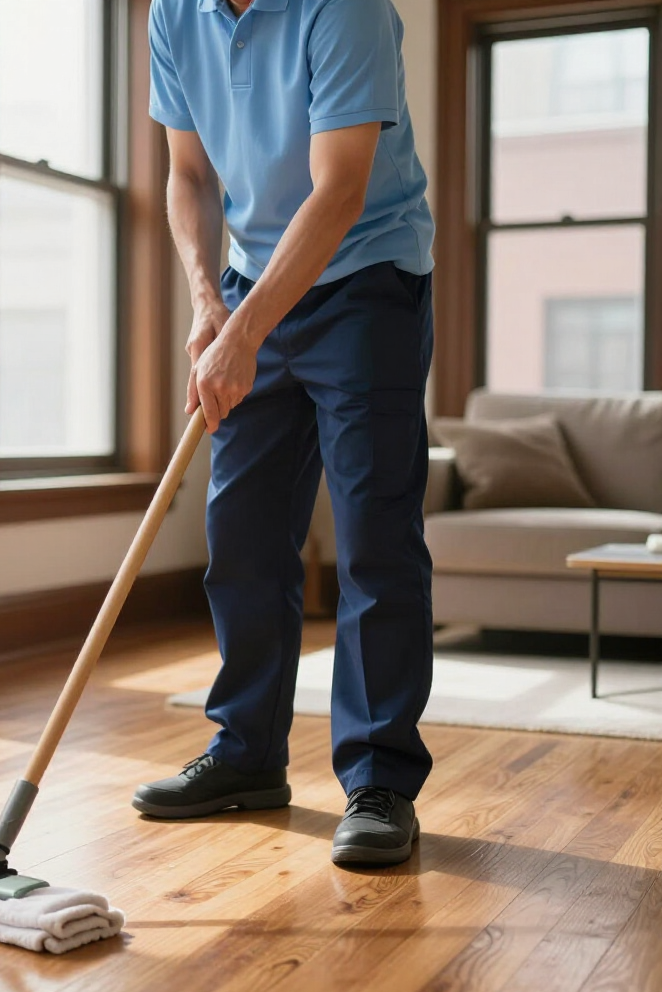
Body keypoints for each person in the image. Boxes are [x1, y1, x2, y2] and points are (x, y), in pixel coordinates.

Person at [131, 0, 436, 867]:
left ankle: (379, 779)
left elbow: (340, 188)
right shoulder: (172, 14)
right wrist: (208, 303)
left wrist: (245, 331)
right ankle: (245, 754)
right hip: (249, 283)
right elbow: (188, 174)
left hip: (366, 278)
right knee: (244, 533)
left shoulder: (343, 8)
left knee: (373, 534)